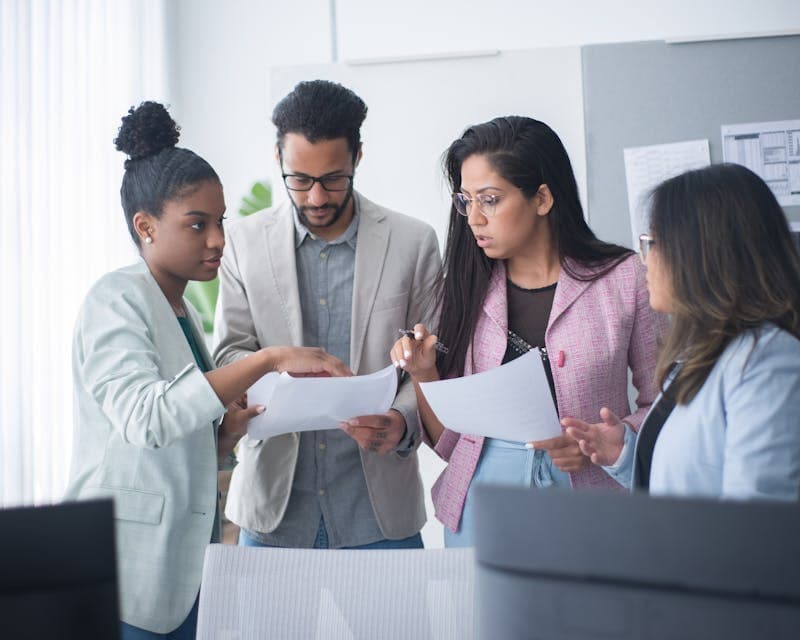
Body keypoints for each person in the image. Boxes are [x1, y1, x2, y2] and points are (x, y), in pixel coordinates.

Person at [63, 102, 350, 639]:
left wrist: (224, 438)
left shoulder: (182, 309)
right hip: (124, 575)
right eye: (198, 225)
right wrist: (269, 358)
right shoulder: (115, 299)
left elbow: (172, 444)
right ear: (145, 227)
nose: (218, 239)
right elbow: (147, 419)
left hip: (184, 572)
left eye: (220, 222)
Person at [391, 116, 667, 546]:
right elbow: (450, 444)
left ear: (541, 198)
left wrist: (614, 442)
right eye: (466, 201)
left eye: (490, 200)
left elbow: (666, 402)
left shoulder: (624, 277)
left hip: (594, 506)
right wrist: (424, 374)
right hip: (481, 509)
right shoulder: (462, 288)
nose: (474, 219)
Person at [214, 80, 441, 550]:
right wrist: (275, 362)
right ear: (278, 159)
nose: (316, 198)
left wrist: (400, 421)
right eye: (299, 180)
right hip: (274, 508)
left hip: (378, 511)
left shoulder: (412, 242)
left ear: (358, 157)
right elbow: (229, 353)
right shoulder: (242, 242)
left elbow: (432, 361)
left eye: (333, 179)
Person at [566, 163, 800, 499]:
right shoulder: (704, 354)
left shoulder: (769, 361)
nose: (645, 260)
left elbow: (755, 520)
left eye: (652, 243)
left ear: (702, 253)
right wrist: (626, 454)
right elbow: (690, 482)